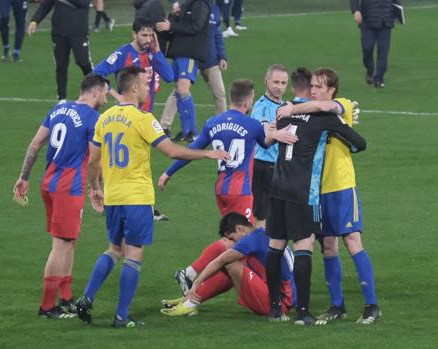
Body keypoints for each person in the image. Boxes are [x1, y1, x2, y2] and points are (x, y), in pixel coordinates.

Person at [74, 66, 229, 328]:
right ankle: (122, 316)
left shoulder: (105, 118)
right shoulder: (143, 119)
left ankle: (87, 298)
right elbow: (171, 151)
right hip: (137, 197)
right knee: (133, 254)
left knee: (114, 249)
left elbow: (93, 161)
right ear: (134, 88)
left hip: (113, 196)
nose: (148, 89)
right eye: (146, 84)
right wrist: (206, 154)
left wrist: (95, 189)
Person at [265, 69, 367, 325]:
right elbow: (359, 143)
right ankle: (302, 312)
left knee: (276, 246)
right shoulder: (324, 118)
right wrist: (339, 129)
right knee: (304, 246)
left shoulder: (285, 111)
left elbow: (266, 138)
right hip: (302, 191)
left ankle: (275, 309)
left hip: (277, 188)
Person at [12, 73, 110, 319]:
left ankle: (66, 298)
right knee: (61, 244)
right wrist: (95, 189)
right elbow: (93, 161)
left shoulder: (59, 109)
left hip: (49, 183)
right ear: (96, 91)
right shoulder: (93, 118)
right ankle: (47, 307)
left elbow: (34, 145)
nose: (107, 98)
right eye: (106, 92)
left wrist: (24, 177)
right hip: (69, 187)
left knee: (69, 241)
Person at [157, 79, 298, 224]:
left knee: (230, 236)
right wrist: (276, 135)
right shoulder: (252, 125)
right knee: (246, 237)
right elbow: (266, 144)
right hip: (240, 191)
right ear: (247, 102)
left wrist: (168, 172)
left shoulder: (212, 122)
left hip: (221, 189)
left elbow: (191, 150)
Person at [94, 18, 174, 222]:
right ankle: (101, 193)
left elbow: (170, 76)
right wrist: (116, 95)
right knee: (122, 161)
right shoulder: (123, 53)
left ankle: (142, 205)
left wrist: (157, 50)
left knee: (140, 162)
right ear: (134, 34)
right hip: (127, 118)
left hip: (143, 118)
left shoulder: (153, 54)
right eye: (144, 35)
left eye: (150, 35)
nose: (147, 39)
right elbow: (98, 73)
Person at [160, 212, 295, 318]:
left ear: (240, 229)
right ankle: (190, 301)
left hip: (278, 305)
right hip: (284, 298)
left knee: (230, 263)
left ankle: (190, 300)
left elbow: (220, 261)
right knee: (232, 261)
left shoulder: (251, 239)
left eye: (232, 237)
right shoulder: (262, 234)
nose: (233, 242)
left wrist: (195, 284)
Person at [160, 0, 228, 138]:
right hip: (192, 55)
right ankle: (165, 125)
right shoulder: (190, 7)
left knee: (219, 94)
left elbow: (217, 34)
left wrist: (222, 56)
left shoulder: (213, 9)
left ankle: (222, 127)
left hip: (210, 60)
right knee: (179, 91)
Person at [156, 0, 211, 142]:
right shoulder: (185, 5)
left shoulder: (201, 4)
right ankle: (185, 131)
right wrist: (173, 17)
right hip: (178, 53)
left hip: (190, 54)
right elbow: (172, 31)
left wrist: (172, 24)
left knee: (183, 90)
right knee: (179, 91)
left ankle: (193, 131)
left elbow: (195, 27)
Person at [28, 0, 93, 103]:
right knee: (61, 65)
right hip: (58, 32)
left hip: (78, 31)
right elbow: (46, 5)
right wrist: (35, 20)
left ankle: (97, 85)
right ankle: (61, 98)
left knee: (83, 62)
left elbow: (82, 3)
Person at [250, 64, 288, 229]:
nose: (279, 87)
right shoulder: (262, 107)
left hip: (280, 166)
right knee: (263, 217)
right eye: (276, 82)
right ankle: (260, 253)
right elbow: (265, 137)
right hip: (264, 166)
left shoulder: (285, 106)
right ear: (266, 81)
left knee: (279, 217)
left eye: (283, 83)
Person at [350, 0, 402, 88]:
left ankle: (379, 79)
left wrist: (398, 14)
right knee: (367, 49)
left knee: (383, 52)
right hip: (367, 20)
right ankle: (370, 69)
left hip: (386, 20)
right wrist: (355, 10)